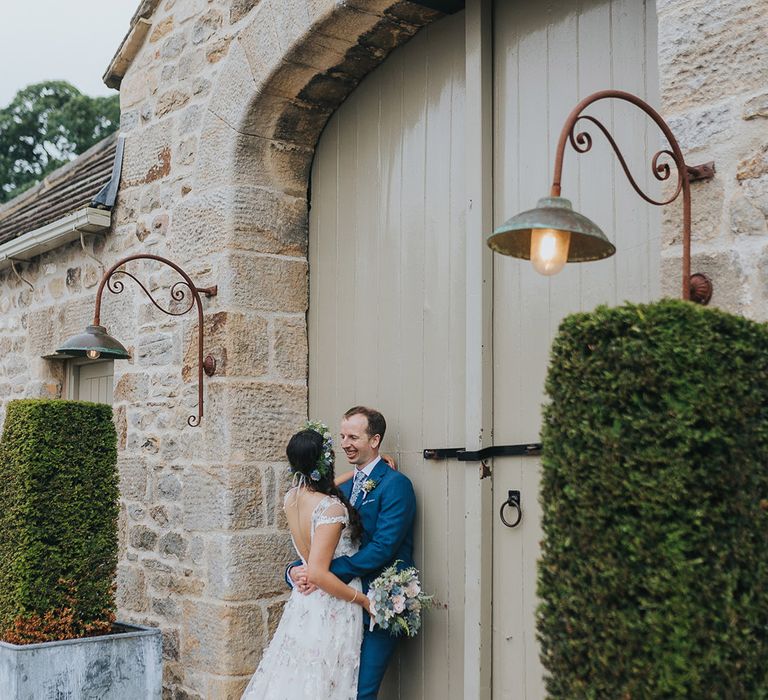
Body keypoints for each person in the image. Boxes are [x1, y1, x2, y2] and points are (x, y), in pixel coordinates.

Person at [289, 407, 417, 700]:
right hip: (338, 604)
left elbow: (383, 546)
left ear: (374, 440)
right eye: (343, 435)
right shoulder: (341, 486)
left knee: (361, 692)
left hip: (377, 600)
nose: (345, 443)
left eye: (354, 436)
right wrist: (296, 570)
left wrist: (322, 574)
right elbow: (325, 541)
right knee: (335, 688)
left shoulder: (397, 485)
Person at [241, 423, 371, 699]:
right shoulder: (330, 508)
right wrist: (363, 601)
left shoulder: (292, 497)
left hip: (304, 605)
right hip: (334, 601)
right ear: (325, 461)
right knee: (327, 680)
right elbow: (319, 574)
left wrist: (358, 473)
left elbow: (326, 489)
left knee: (294, 676)